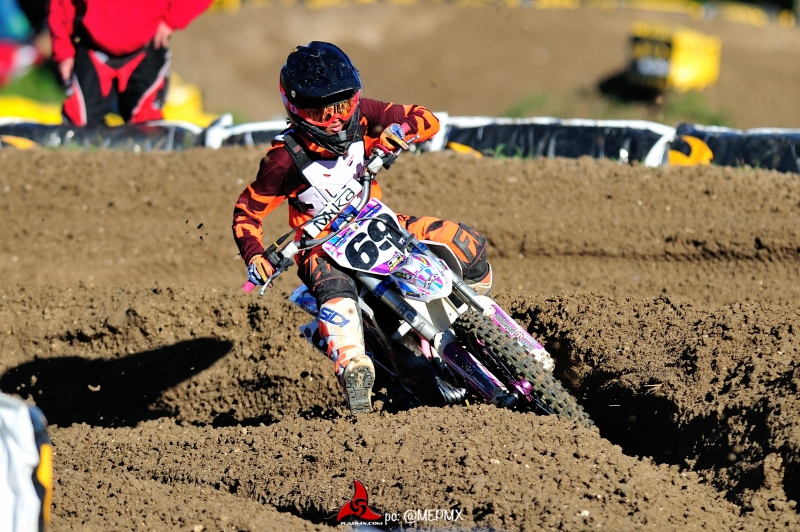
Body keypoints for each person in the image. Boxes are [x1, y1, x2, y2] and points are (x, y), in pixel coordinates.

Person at [232, 42, 492, 414]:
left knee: (467, 244)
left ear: (354, 98)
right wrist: (255, 254)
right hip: (321, 248)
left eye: (342, 107)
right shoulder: (283, 160)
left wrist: (401, 131)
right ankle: (354, 367)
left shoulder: (367, 115)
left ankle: (479, 320)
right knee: (336, 296)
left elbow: (425, 117)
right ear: (297, 111)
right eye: (322, 113)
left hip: (377, 221)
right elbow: (247, 212)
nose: (336, 121)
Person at [48, 0, 211, 125]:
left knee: (147, 125)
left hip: (146, 49)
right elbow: (62, 5)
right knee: (79, 122)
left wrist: (172, 20)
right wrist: (64, 52)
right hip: (94, 49)